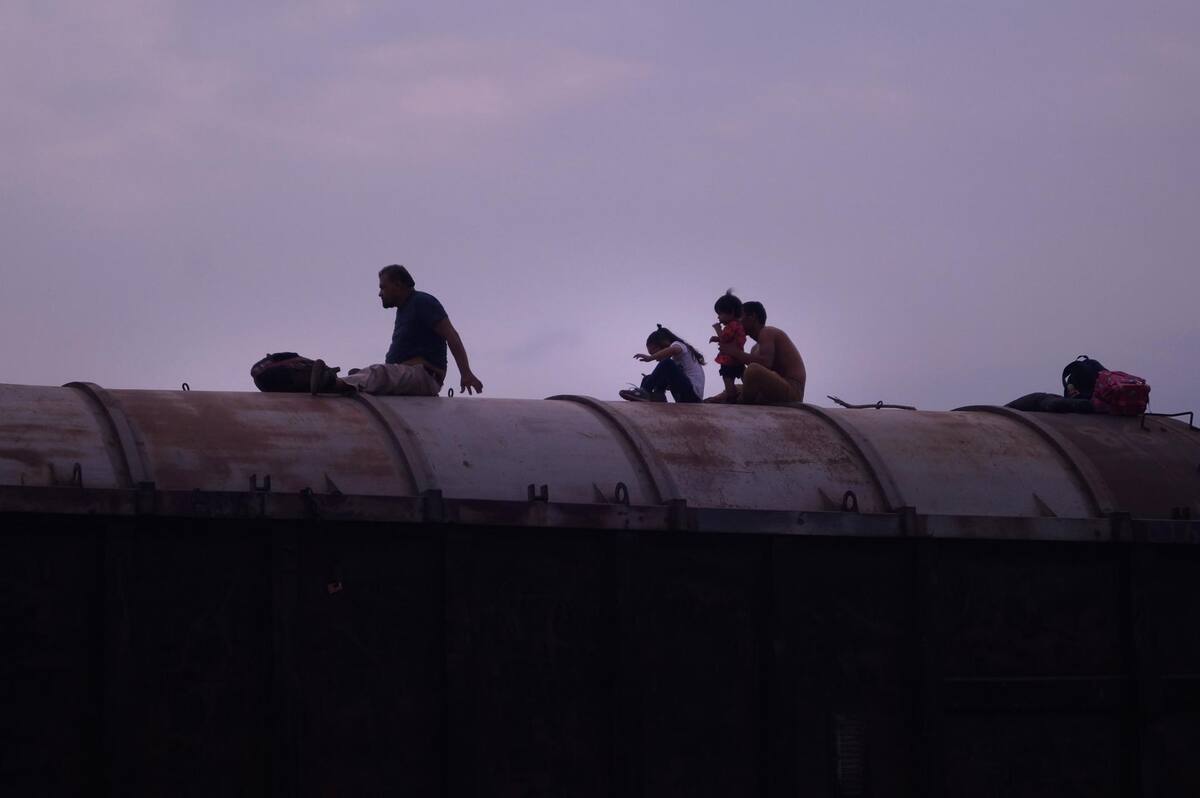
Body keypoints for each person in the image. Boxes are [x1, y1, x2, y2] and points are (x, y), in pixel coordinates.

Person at [313, 264, 484, 396]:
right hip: (409, 374)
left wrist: (466, 373)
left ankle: (332, 383)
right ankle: (351, 381)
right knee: (370, 373)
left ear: (398, 284)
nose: (380, 293)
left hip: (424, 377)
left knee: (379, 373)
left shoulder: (422, 302)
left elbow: (451, 335)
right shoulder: (404, 310)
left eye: (383, 287)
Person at [718, 301, 806, 404]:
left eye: (740, 318)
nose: (736, 323)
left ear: (752, 317)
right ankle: (711, 401)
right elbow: (751, 379)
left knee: (753, 370)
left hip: (792, 391)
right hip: (769, 392)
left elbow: (765, 364)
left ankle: (740, 404)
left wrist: (734, 352)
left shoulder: (767, 332)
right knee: (734, 389)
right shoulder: (755, 348)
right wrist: (733, 363)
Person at [619, 326, 706, 403]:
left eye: (654, 353)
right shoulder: (675, 361)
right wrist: (654, 379)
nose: (656, 358)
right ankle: (656, 396)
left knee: (666, 363)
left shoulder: (678, 345)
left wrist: (650, 358)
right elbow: (674, 381)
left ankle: (643, 392)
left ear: (662, 345)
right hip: (684, 396)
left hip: (693, 395)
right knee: (648, 378)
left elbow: (673, 350)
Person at [705, 289, 746, 403]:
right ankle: (748, 393)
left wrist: (718, 330)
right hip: (737, 358)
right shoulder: (737, 325)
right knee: (743, 375)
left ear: (731, 312)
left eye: (720, 314)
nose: (718, 317)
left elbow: (725, 339)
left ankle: (732, 398)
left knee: (727, 378)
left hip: (729, 360)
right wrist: (717, 338)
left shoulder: (732, 325)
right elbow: (729, 339)